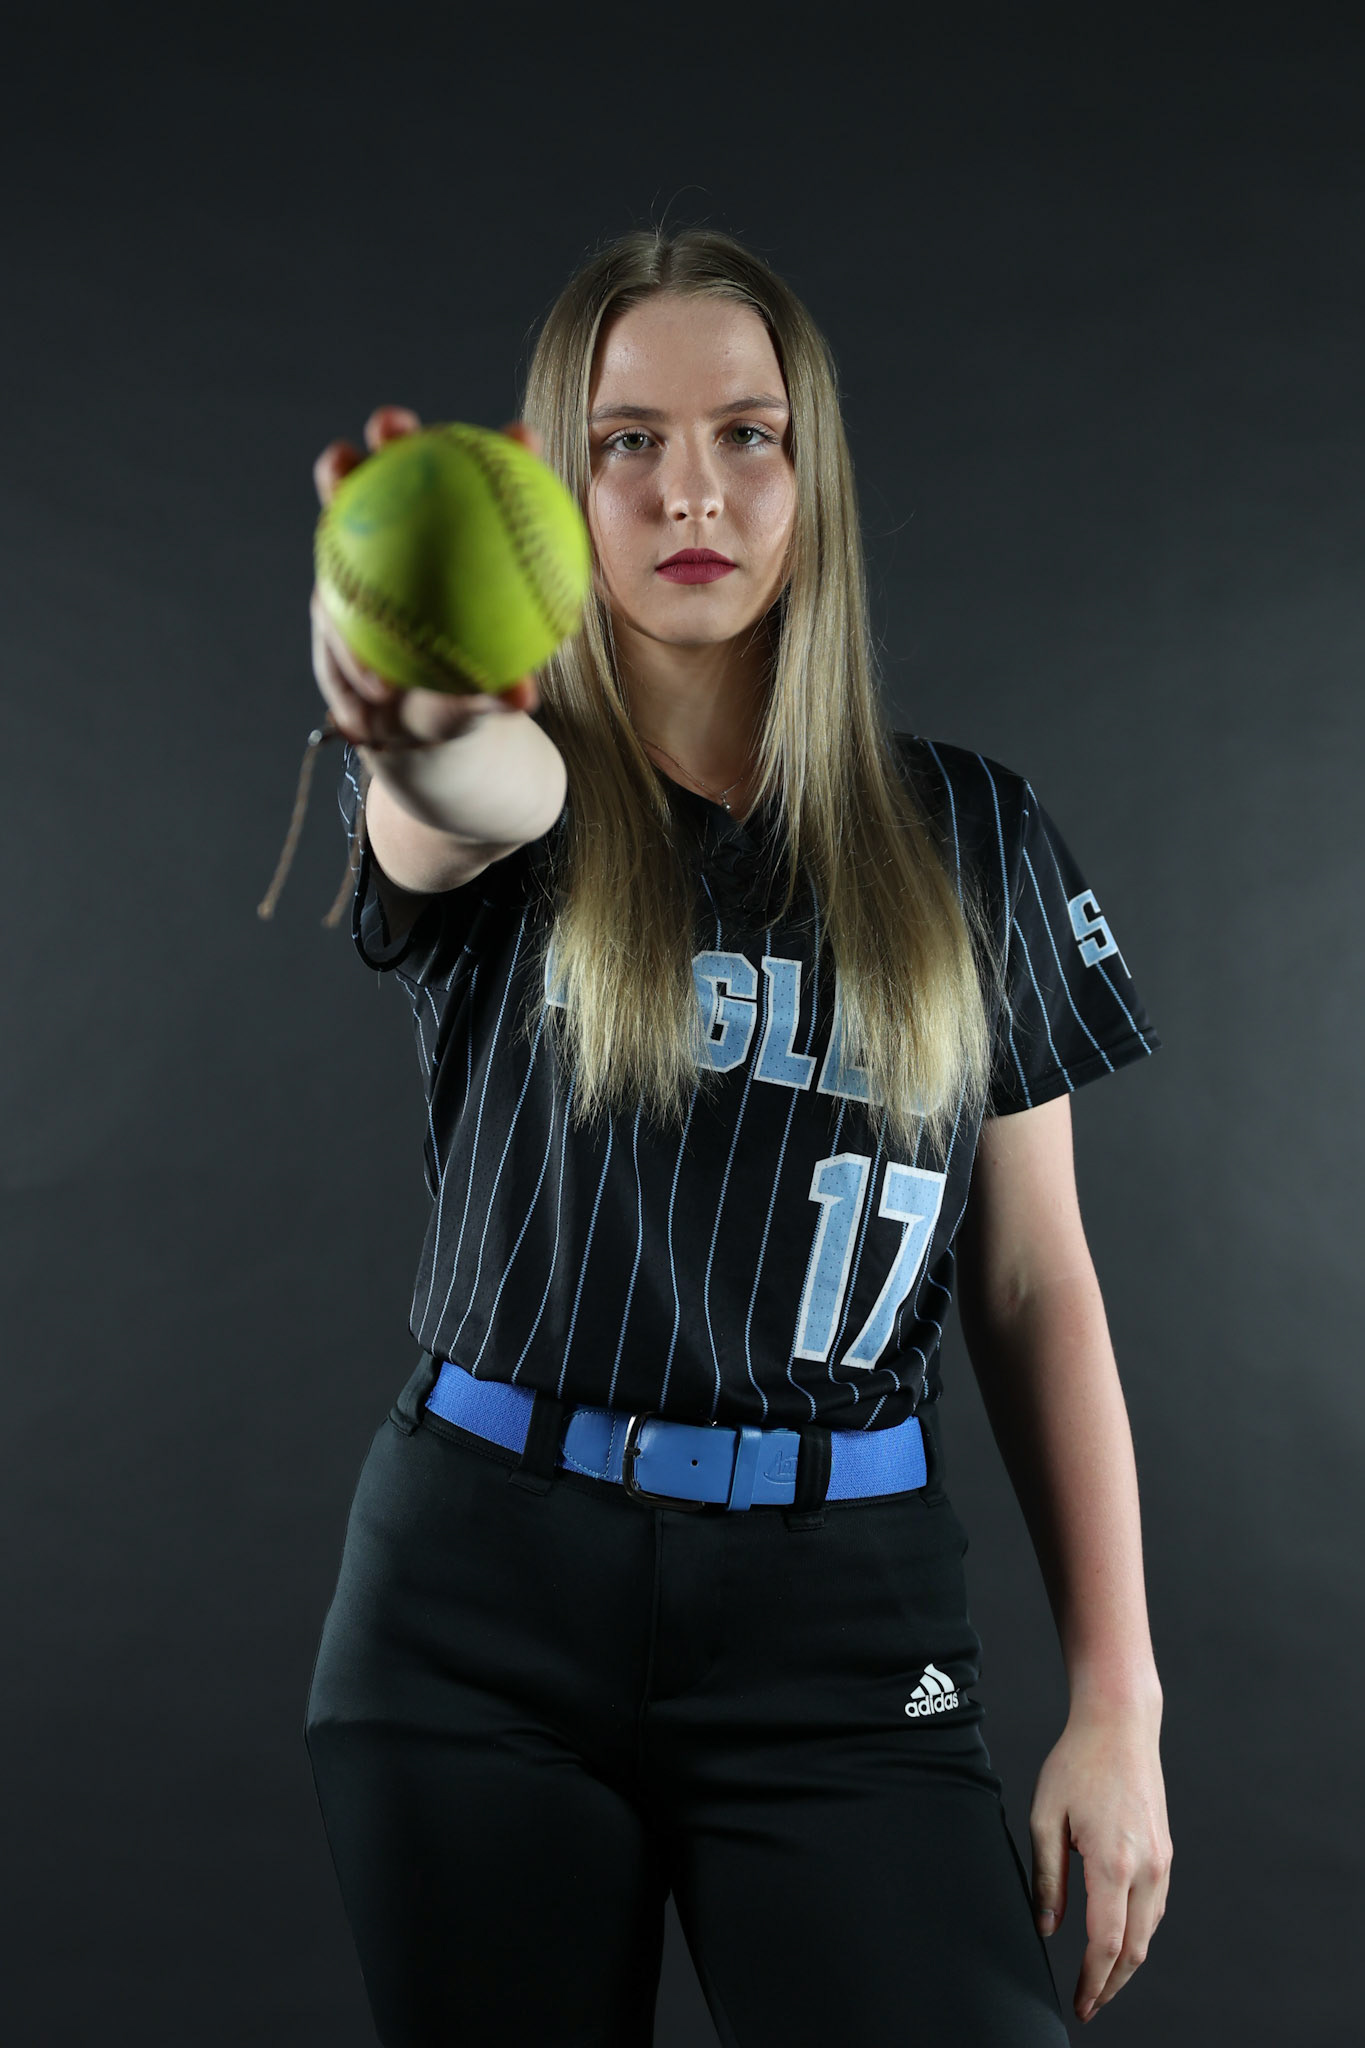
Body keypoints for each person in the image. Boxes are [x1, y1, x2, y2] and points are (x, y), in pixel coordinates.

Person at [299, 226, 1172, 2048]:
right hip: (481, 1604)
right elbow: (459, 790)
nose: (689, 487)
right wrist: (408, 710)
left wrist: (1118, 1707)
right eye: (626, 441)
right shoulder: (531, 793)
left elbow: (1032, 1286)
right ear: (555, 486)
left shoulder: (972, 835)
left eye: (744, 435)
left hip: (842, 1628)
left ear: (810, 473)